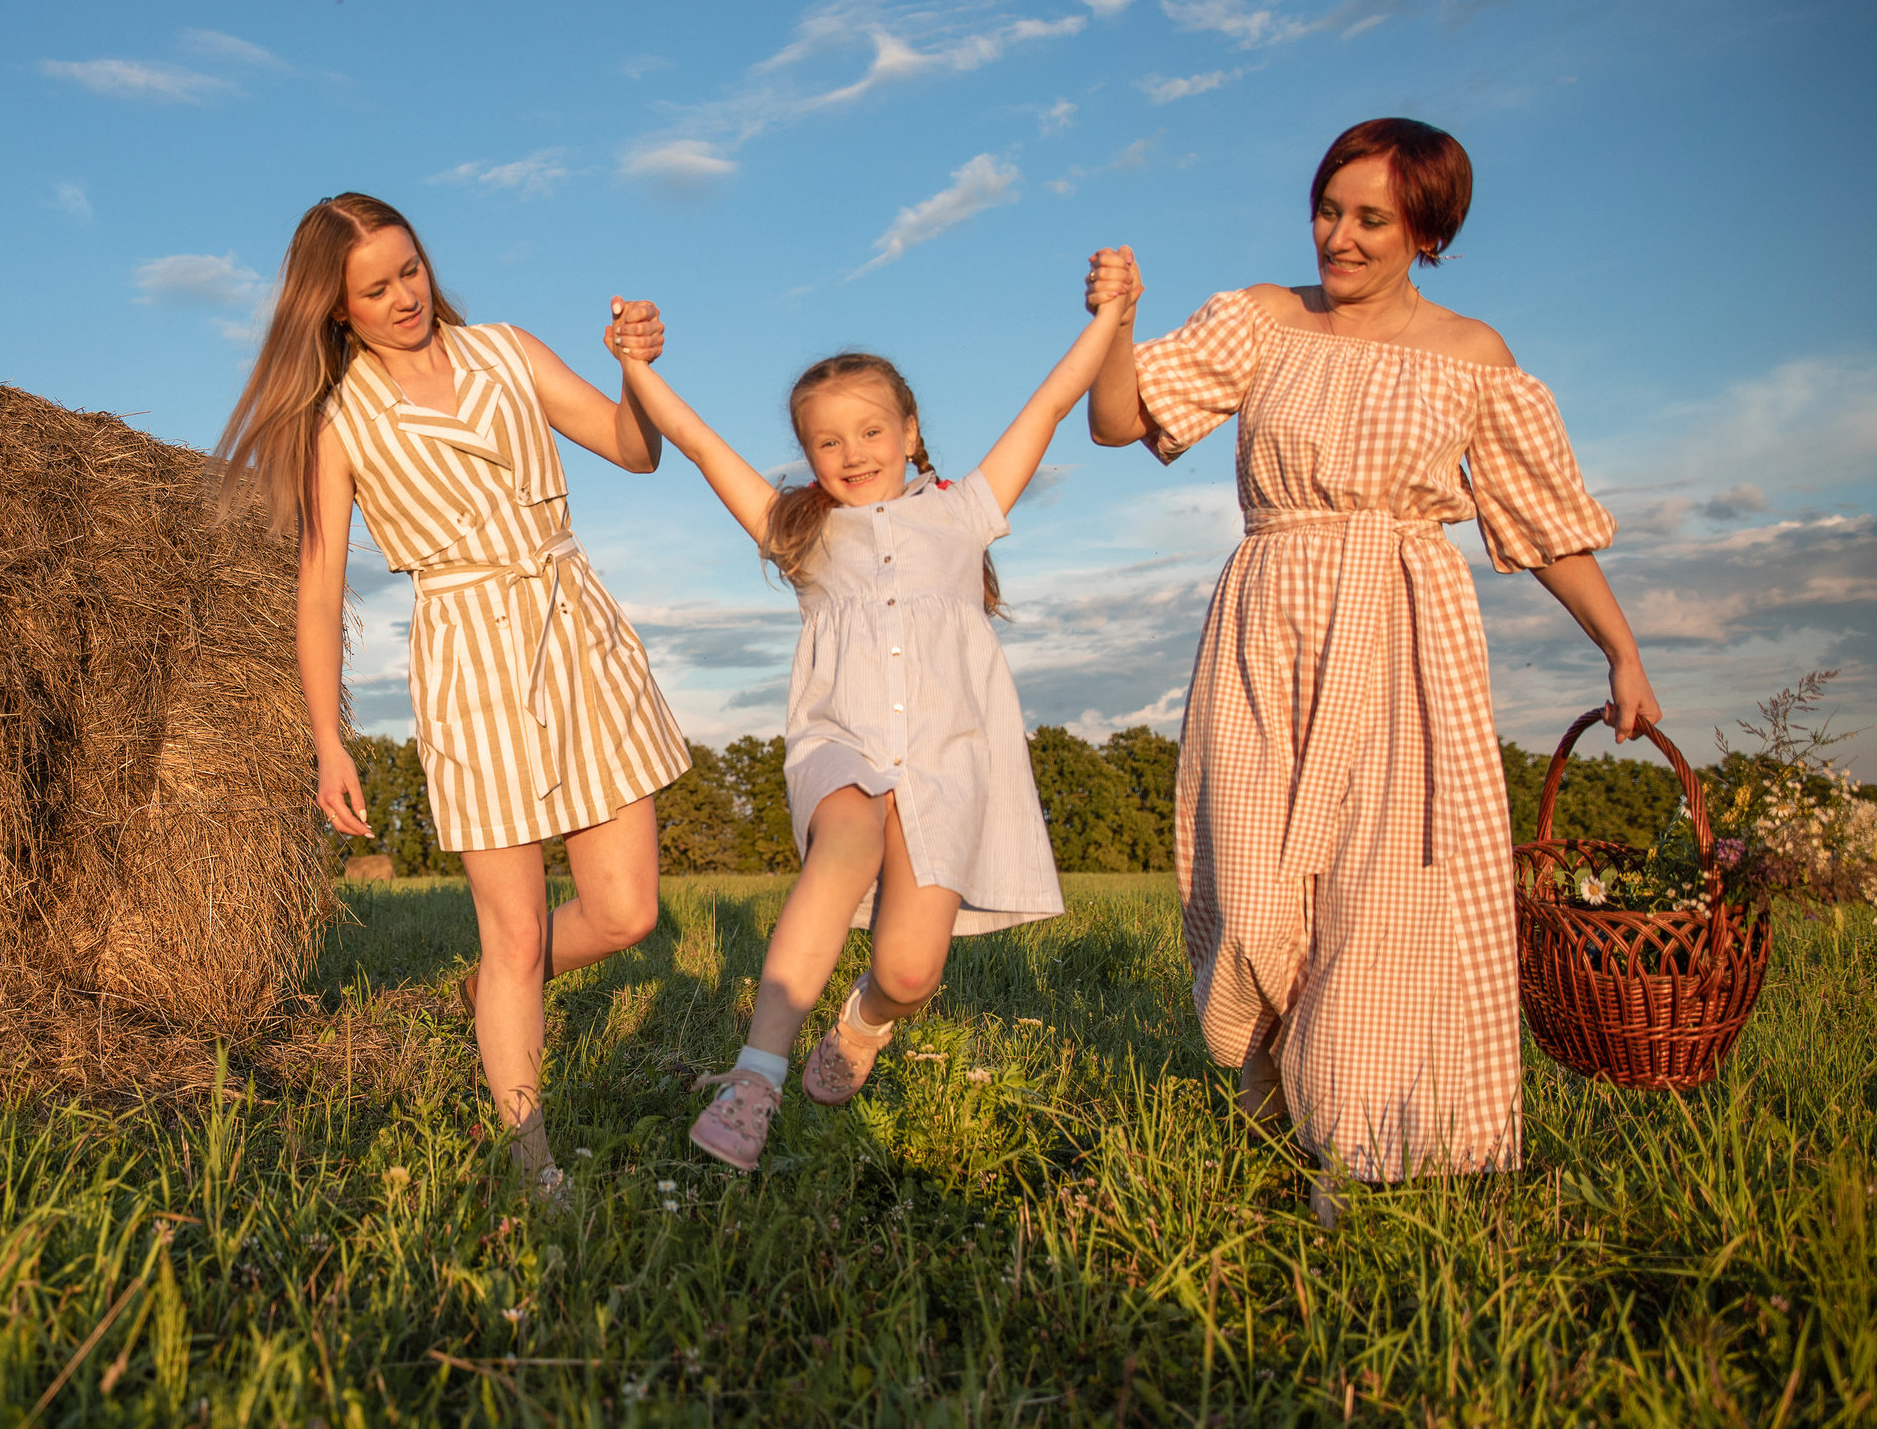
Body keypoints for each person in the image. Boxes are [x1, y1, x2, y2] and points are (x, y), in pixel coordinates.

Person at [1083, 119, 1657, 1219]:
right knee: (1246, 890)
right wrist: (1119, 323)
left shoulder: (1472, 357)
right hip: (1267, 618)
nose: (1336, 238)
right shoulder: (1260, 318)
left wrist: (1620, 650)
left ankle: (1354, 1150)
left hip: (1404, 626)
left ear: (1428, 233)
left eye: (1369, 220)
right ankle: (1273, 1093)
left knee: (1382, 892)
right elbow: (1118, 422)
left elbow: (1540, 527)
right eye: (1327, 209)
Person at [605, 261, 1144, 1171]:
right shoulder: (799, 530)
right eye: (827, 441)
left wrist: (1112, 314)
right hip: (841, 742)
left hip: (945, 760)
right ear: (805, 455)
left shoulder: (966, 512)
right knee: (847, 835)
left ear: (910, 430)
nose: (851, 452)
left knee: (907, 972)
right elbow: (697, 444)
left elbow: (1052, 405)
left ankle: (861, 1025)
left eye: (869, 430)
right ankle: (755, 1078)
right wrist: (635, 365)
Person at [214, 193, 690, 1199]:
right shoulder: (340, 422)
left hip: (575, 625)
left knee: (626, 913)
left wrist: (635, 370)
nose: (403, 298)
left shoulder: (508, 351)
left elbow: (632, 447)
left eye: (410, 272)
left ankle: (488, 996)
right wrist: (328, 742)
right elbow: (318, 590)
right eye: (375, 288)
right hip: (469, 655)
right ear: (335, 309)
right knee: (513, 932)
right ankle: (531, 1161)